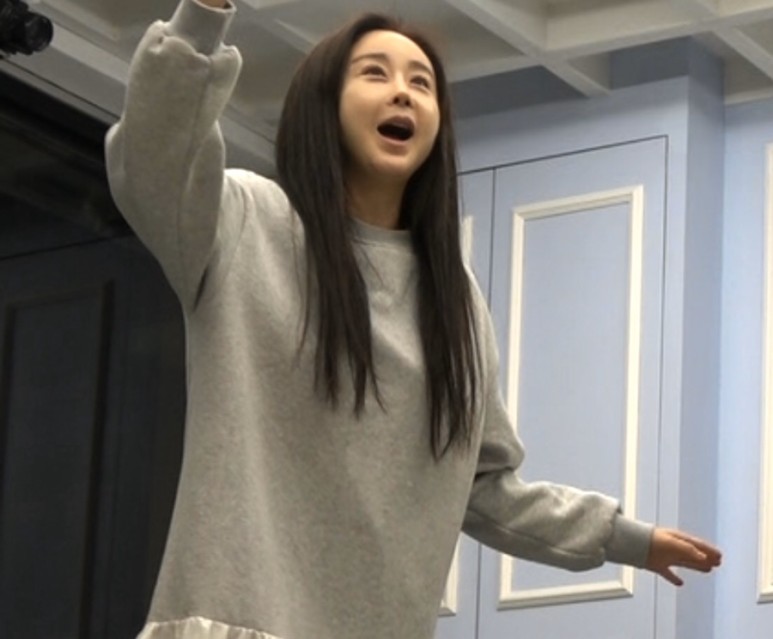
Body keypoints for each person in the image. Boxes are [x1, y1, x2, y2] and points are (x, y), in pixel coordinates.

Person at [105, 0, 722, 637]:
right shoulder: (246, 219)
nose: (403, 92)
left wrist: (626, 539)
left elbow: (482, 485)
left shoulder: (455, 302)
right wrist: (202, 17)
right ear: (324, 105)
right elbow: (154, 157)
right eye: (375, 73)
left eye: (422, 83)